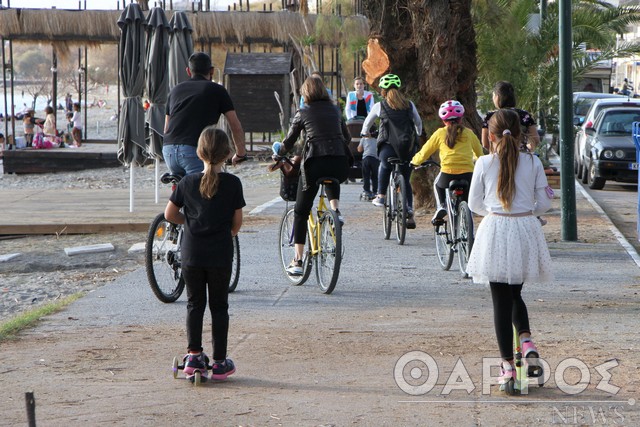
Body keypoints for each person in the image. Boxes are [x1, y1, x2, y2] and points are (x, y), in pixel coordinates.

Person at [465, 109, 553, 395]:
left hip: (496, 229)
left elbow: (474, 204)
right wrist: (528, 213)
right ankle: (526, 342)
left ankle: (506, 370)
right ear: (520, 134)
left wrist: (493, 212)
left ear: (490, 135)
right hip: (525, 228)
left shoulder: (484, 162)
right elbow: (544, 203)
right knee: (515, 293)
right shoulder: (533, 162)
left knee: (500, 302)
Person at [164, 126, 245, 382]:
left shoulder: (187, 182)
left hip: (192, 254)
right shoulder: (233, 183)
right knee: (219, 306)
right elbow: (237, 222)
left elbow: (169, 214)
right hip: (220, 253)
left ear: (199, 153)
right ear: (227, 153)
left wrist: (188, 223)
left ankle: (194, 356)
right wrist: (225, 234)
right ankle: (220, 361)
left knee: (194, 304)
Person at [273, 76, 353, 276]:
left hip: (314, 164)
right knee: (331, 173)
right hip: (340, 163)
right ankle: (335, 212)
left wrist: (279, 153)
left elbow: (289, 141)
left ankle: (298, 260)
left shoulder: (303, 112)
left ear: (305, 93)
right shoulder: (335, 110)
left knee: (301, 211)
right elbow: (347, 137)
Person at [163, 52, 247, 176]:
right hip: (193, 151)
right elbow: (235, 126)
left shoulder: (175, 90)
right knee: (204, 191)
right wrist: (240, 153)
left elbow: (166, 128)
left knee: (184, 190)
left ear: (188, 71)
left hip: (168, 151)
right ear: (212, 71)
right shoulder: (217, 90)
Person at [361, 73, 422, 229]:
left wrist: (364, 133)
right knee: (406, 179)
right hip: (407, 148)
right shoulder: (410, 105)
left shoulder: (379, 106)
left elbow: (367, 124)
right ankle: (408, 208)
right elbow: (418, 124)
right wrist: (418, 134)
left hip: (387, 147)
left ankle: (381, 196)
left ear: (383, 91)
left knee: (384, 165)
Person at [411, 100, 484, 224]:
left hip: (447, 174)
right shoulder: (469, 133)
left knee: (437, 184)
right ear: (461, 119)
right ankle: (467, 218)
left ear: (443, 120)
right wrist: (477, 160)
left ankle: (441, 206)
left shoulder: (440, 133)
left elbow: (425, 152)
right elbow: (479, 153)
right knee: (467, 201)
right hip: (468, 174)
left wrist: (414, 162)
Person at [481, 81, 540, 153]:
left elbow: (485, 143)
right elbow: (535, 139)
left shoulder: (490, 116)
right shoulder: (524, 115)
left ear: (497, 97)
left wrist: (496, 152)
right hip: (520, 158)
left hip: (498, 159)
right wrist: (525, 150)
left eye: (493, 95)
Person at [357, 135, 379, 200]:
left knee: (366, 175)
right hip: (375, 159)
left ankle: (367, 191)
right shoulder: (377, 139)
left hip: (366, 158)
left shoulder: (363, 139)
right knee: (375, 176)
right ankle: (375, 191)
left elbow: (359, 150)